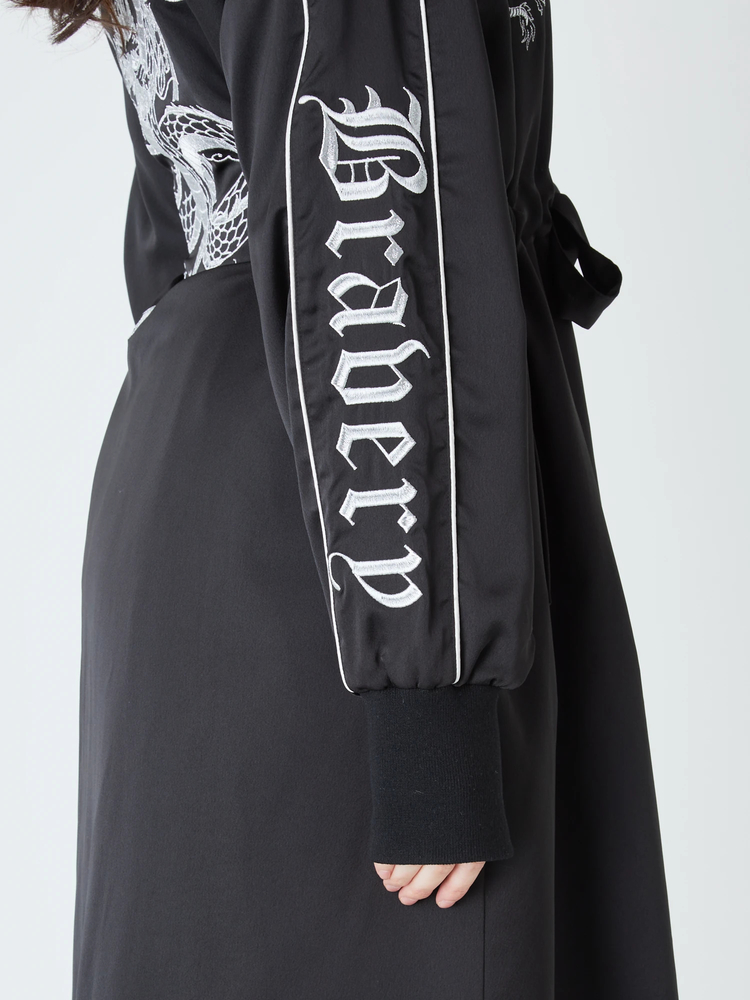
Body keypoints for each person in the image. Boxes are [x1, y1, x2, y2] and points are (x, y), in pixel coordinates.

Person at [11, 1, 680, 997]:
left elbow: (185, 224)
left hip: (244, 485)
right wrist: (430, 698)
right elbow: (372, 201)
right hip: (359, 549)